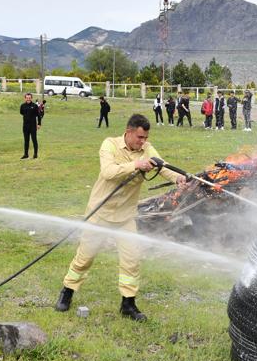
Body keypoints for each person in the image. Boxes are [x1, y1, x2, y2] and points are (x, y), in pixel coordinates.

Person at [54, 114, 185, 321]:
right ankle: (67, 292)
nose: (143, 142)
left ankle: (128, 304)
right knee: (84, 257)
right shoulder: (110, 145)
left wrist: (178, 178)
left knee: (131, 260)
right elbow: (108, 172)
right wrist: (136, 165)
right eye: (140, 137)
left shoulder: (147, 149)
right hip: (100, 213)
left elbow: (162, 166)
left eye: (145, 138)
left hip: (125, 217)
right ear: (129, 131)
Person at [20, 93, 41, 159]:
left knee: (34, 140)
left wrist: (39, 124)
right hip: (25, 126)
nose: (28, 99)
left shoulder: (34, 106)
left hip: (33, 126)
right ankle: (26, 154)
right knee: (26, 141)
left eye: (29, 98)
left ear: (31, 98)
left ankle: (35, 154)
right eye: (27, 98)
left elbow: (39, 115)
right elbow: (22, 113)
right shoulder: (22, 106)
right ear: (25, 98)